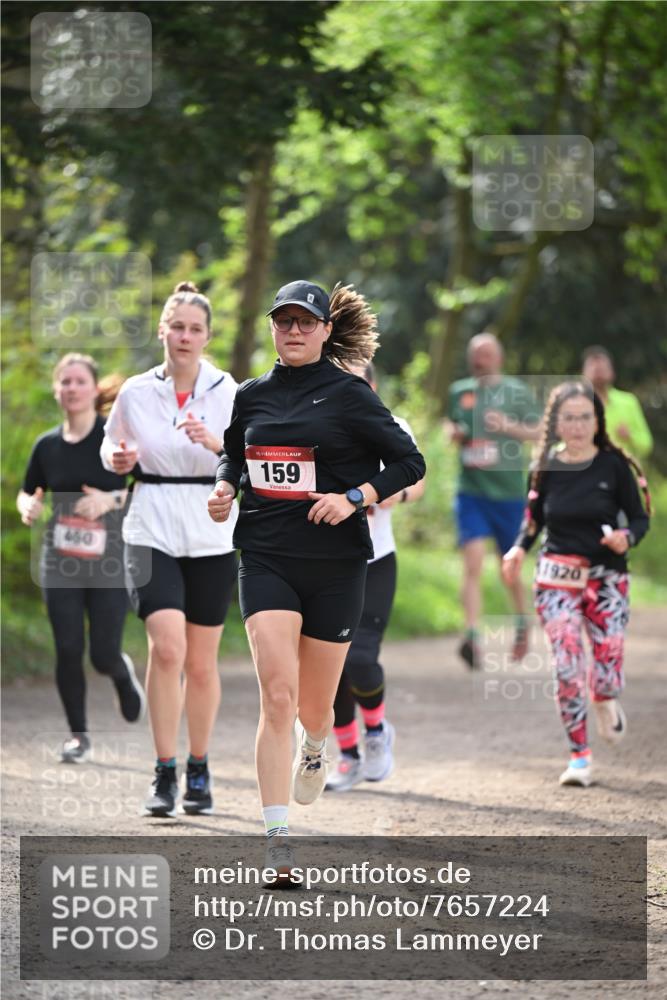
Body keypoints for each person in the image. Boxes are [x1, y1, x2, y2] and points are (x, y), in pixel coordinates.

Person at [208, 279, 425, 864]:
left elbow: (410, 461)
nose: (295, 330)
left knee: (312, 709)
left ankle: (317, 745)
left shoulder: (351, 395)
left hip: (336, 564)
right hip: (267, 556)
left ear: (327, 331)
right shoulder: (252, 395)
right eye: (285, 321)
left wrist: (355, 495)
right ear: (273, 330)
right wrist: (226, 485)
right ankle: (277, 843)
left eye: (307, 321)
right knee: (276, 698)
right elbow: (235, 452)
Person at [101, 281, 238, 818]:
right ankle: (163, 771)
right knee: (167, 648)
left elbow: (248, 459)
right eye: (176, 327)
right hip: (150, 522)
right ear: (162, 331)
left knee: (201, 664)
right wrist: (116, 456)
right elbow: (111, 441)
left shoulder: (229, 391)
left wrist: (217, 445)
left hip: (209, 529)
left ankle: (198, 769)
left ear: (207, 337)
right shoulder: (136, 391)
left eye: (195, 329)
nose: (185, 336)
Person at [502, 382, 650, 787]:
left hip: (607, 579)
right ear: (557, 423)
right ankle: (579, 757)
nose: (578, 425)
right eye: (569, 418)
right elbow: (533, 519)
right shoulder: (547, 465)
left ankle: (604, 697)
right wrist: (517, 550)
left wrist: (627, 538)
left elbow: (640, 519)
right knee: (567, 666)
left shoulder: (615, 465)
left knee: (604, 669)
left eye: (585, 417)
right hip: (556, 578)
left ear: (597, 420)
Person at [17, 353, 144, 764]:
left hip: (109, 560)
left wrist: (110, 498)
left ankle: (121, 674)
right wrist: (28, 506)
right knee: (68, 648)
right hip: (61, 561)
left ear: (94, 389)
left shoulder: (115, 440)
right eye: (64, 382)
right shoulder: (47, 446)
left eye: (78, 381)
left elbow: (146, 490)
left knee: (101, 653)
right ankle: (78, 736)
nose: (70, 388)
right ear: (57, 391)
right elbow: (29, 489)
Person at [325, 360, 425, 792]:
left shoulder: (391, 424)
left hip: (376, 559)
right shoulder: (318, 422)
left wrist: (390, 495)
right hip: (325, 563)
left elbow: (416, 480)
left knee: (360, 658)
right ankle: (347, 755)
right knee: (328, 667)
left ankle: (377, 731)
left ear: (373, 383)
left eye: (358, 381)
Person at [446, 332, 542, 668]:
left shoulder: (516, 392)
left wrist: (508, 426)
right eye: (475, 354)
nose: (479, 360)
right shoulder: (460, 391)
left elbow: (541, 431)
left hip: (509, 495)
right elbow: (452, 423)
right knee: (472, 563)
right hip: (471, 491)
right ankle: (472, 635)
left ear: (498, 358)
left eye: (486, 354)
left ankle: (521, 621)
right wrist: (454, 432)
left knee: (509, 567)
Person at [582, 346, 653, 459]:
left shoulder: (629, 402)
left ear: (612, 372)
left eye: (602, 369)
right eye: (594, 369)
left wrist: (630, 437)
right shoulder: (575, 405)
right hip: (588, 473)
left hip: (624, 473)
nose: (598, 372)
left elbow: (646, 445)